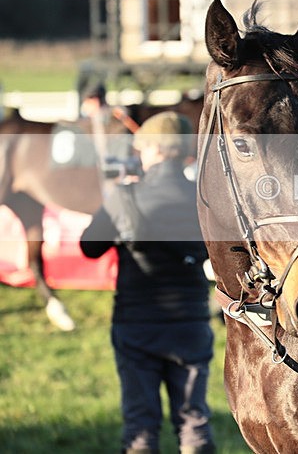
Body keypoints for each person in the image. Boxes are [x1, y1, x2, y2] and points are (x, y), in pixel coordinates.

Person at [80, 112, 215, 454]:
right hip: (192, 323)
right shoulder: (206, 201)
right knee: (194, 421)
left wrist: (115, 198)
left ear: (152, 149)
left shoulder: (125, 197)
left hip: (136, 323)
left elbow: (89, 247)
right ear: (187, 154)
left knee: (140, 425)